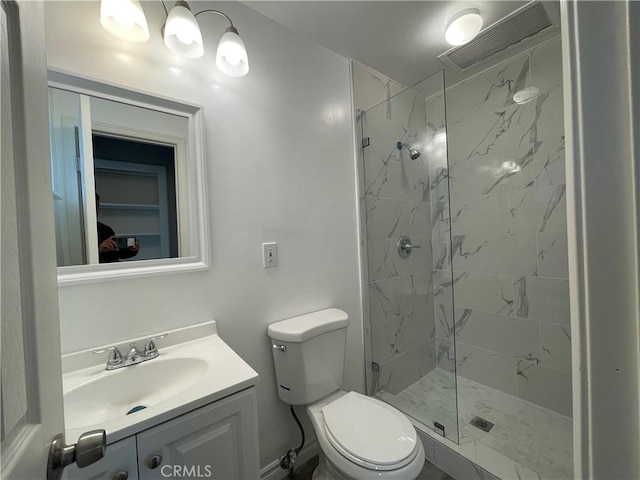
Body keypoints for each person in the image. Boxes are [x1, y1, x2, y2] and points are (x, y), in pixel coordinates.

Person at [96, 193, 139, 263]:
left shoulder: (106, 230)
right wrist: (98, 250)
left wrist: (132, 250)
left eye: (97, 206)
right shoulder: (78, 232)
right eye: (94, 207)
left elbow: (116, 254)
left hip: (113, 269)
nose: (96, 210)